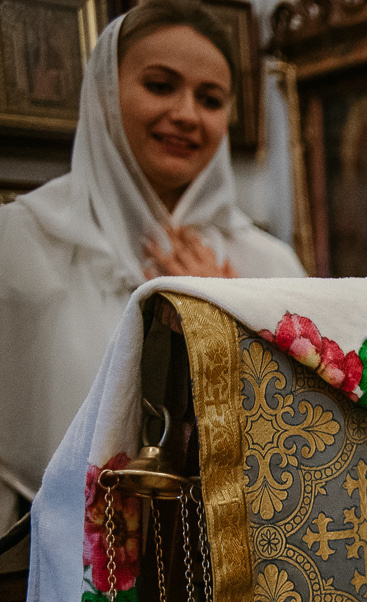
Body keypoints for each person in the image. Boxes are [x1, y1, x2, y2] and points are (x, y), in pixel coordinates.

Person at [0, 1, 304, 530]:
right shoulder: (22, 242)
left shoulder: (265, 261)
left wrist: (235, 322)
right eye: (161, 86)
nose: (187, 114)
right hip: (63, 560)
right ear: (103, 97)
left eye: (210, 99)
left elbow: (306, 437)